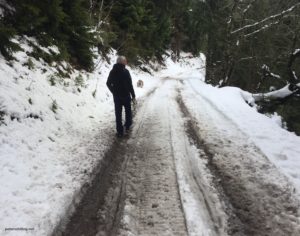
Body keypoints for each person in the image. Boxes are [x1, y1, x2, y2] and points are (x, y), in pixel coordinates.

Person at [106, 56, 136, 137]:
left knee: (118, 114)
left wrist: (114, 92)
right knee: (128, 112)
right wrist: (133, 95)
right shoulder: (126, 71)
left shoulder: (113, 71)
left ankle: (119, 131)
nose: (126, 62)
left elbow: (108, 83)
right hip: (126, 96)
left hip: (117, 97)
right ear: (122, 62)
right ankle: (127, 126)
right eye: (125, 61)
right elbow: (130, 85)